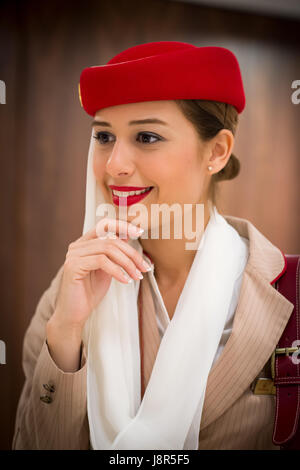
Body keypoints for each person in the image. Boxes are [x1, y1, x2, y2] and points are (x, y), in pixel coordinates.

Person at [12, 41, 294, 450]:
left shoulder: (290, 293)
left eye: (146, 136)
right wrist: (66, 332)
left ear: (216, 152)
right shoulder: (68, 289)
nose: (114, 165)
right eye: (104, 137)